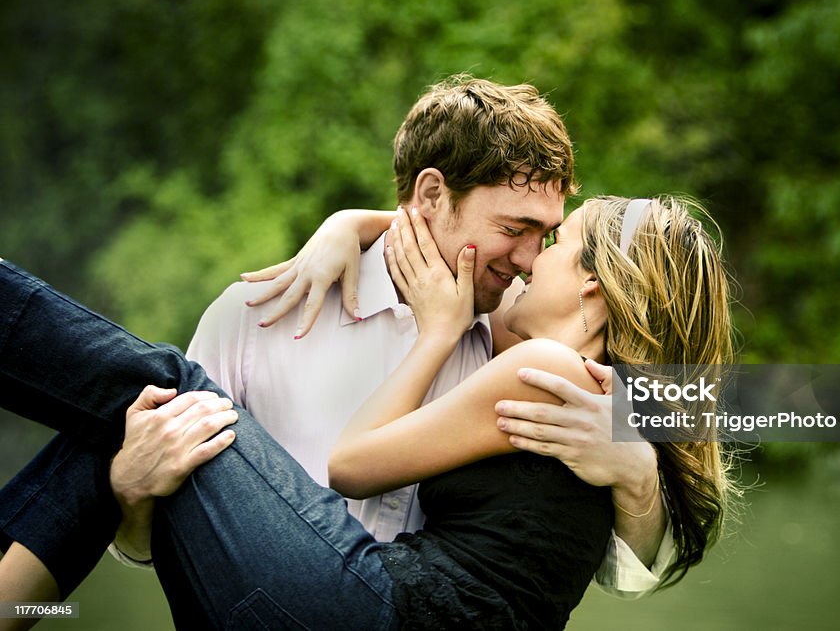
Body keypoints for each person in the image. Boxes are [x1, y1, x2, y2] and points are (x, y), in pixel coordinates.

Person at [0, 193, 736, 629]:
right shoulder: (621, 400)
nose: (529, 259)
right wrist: (353, 224)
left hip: (368, 609)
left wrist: (438, 332)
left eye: (556, 245)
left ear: (593, 292)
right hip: (347, 610)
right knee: (142, 410)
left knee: (168, 382)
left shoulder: (543, 371)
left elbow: (351, 465)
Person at [170, 74, 675, 594]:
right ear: (432, 192)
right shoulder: (251, 322)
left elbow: (632, 575)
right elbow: (160, 532)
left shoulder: (517, 340)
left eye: (547, 236)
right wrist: (129, 489)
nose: (529, 260)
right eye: (513, 229)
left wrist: (638, 473)